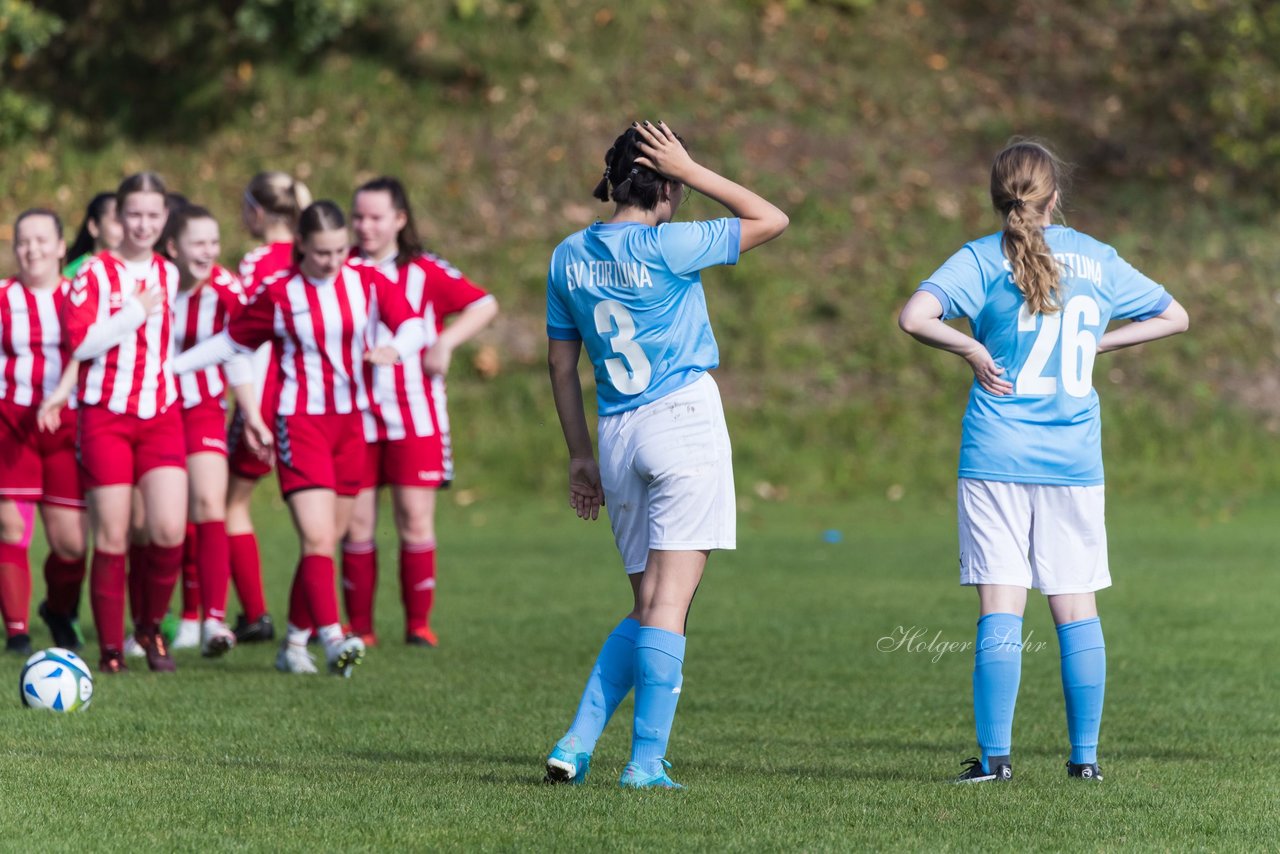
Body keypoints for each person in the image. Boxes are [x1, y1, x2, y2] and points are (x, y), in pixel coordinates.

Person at [897, 139, 1189, 783]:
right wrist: (1095, 347)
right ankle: (1084, 762)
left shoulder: (981, 257)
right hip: (1073, 460)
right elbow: (1175, 316)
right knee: (1075, 605)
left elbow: (915, 317)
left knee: (1001, 603)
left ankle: (995, 760)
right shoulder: (1098, 258)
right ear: (1056, 194)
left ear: (998, 196)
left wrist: (972, 352)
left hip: (996, 452)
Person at [542, 120, 788, 789]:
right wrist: (698, 169)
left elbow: (563, 370)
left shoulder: (568, 256)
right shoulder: (673, 243)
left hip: (618, 435)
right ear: (669, 184)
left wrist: (578, 456)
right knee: (669, 606)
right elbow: (773, 217)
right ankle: (645, 763)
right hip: (681, 422)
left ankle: (576, 740)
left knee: (648, 603)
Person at [174, 200, 428, 677]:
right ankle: (333, 638)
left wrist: (395, 347)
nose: (332, 262)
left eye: (338, 251)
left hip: (351, 425)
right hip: (300, 423)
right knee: (315, 535)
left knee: (325, 541)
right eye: (321, 253)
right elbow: (232, 342)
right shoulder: (281, 293)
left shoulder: (366, 281)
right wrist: (170, 370)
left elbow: (415, 323)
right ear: (302, 248)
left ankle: (293, 643)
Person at [344, 176, 498, 648]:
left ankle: (417, 625)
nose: (365, 226)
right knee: (358, 523)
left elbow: (484, 303)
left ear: (399, 220)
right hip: (352, 414)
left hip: (416, 415)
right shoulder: (338, 267)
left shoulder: (425, 270)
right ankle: (360, 628)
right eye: (358, 217)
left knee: (414, 518)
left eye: (376, 217)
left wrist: (445, 342)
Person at [53, 172, 191, 675]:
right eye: (134, 214)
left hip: (161, 415)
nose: (144, 224)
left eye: (154, 215)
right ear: (117, 217)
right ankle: (111, 650)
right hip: (106, 416)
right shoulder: (92, 274)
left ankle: (151, 629)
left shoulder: (170, 272)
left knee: (169, 528)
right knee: (111, 536)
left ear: (164, 219)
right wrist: (133, 310)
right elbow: (80, 344)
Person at [167, 205, 266, 656]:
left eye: (213, 242)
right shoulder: (155, 285)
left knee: (209, 502)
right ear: (174, 248)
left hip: (205, 406)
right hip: (154, 410)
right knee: (162, 521)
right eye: (198, 243)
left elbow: (239, 351)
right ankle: (172, 619)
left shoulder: (228, 291)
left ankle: (213, 621)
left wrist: (253, 416)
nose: (208, 252)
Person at [221, 171, 312, 644]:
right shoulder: (314, 256)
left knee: (230, 504)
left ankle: (255, 613)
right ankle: (317, 619)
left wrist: (249, 409)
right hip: (315, 402)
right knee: (318, 517)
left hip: (266, 396)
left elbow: (245, 340)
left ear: (257, 211)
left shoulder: (256, 262)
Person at [0, 210, 89, 655]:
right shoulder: (2, 297)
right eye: (23, 241)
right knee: (9, 526)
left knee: (71, 544)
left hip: (67, 425)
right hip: (10, 423)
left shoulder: (80, 297)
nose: (31, 249)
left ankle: (57, 610)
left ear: (60, 248)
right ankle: (16, 633)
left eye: (41, 240)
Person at [63, 193, 124, 280]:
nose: (125, 228)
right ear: (94, 226)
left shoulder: (138, 269)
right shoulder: (73, 274)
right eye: (117, 221)